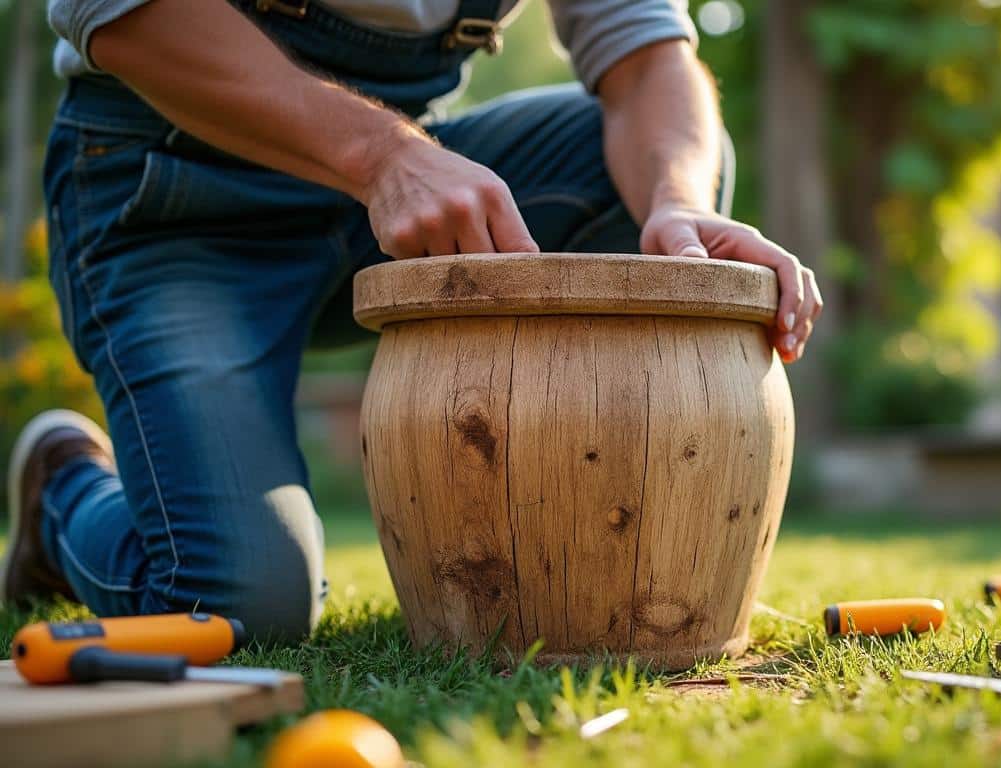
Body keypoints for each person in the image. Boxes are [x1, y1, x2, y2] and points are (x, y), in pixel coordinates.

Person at [3, 0, 823, 641]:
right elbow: (123, 16)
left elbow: (648, 60)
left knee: (639, 176)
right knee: (236, 605)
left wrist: (676, 205)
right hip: (171, 195)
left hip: (388, 192)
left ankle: (537, 563)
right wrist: (381, 159)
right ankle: (64, 491)